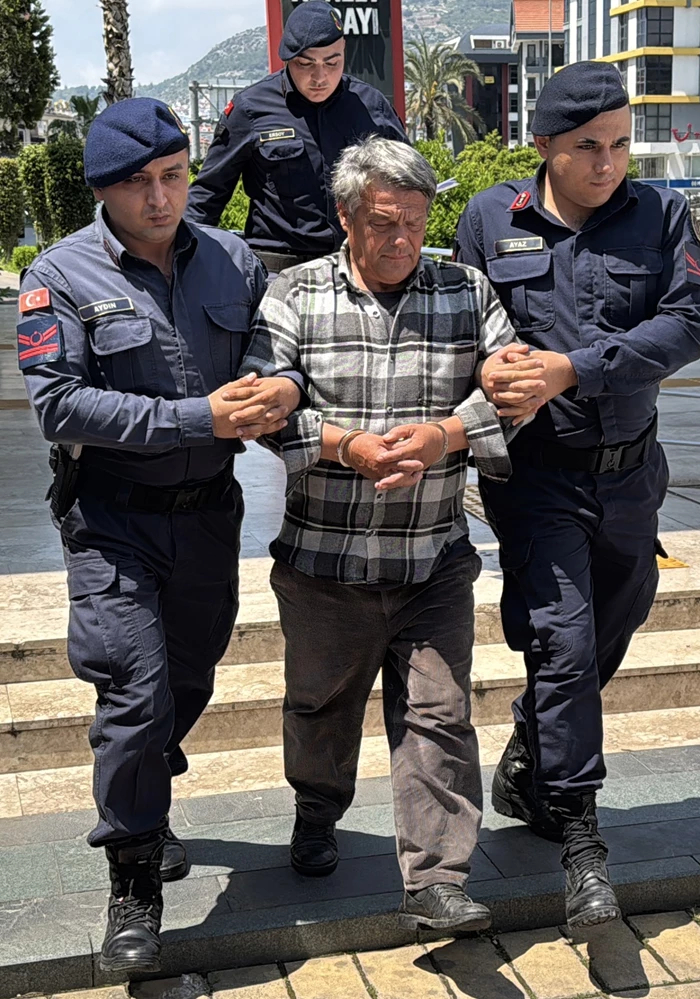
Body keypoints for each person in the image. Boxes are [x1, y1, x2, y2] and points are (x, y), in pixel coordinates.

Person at [18, 98, 302, 976]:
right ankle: (134, 878)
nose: (160, 197)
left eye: (173, 176)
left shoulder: (232, 259)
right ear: (104, 189)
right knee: (134, 694)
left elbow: (271, 351)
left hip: (209, 517)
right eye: (138, 183)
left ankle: (146, 778)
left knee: (189, 675)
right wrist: (197, 416)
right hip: (112, 519)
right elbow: (59, 404)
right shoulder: (59, 275)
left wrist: (278, 387)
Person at [233, 135, 544, 932]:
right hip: (323, 560)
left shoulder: (466, 290)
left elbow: (515, 387)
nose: (402, 238)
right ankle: (316, 808)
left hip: (432, 557)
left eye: (414, 220)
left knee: (439, 716)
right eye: (382, 222)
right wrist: (344, 446)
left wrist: (446, 433)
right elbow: (261, 405)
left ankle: (437, 879)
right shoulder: (294, 293)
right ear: (346, 217)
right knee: (320, 710)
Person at [454, 61, 700, 931]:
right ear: (544, 146)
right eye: (588, 147)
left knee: (617, 617)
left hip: (631, 474)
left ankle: (533, 750)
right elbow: (459, 326)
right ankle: (581, 840)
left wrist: (574, 367)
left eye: (620, 145)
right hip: (538, 475)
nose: (608, 163)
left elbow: (684, 325)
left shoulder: (661, 215)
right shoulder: (491, 218)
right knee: (562, 641)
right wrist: (486, 368)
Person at [185, 0, 408, 275]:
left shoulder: (372, 107)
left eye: (332, 62)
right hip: (278, 274)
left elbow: (408, 186)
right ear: (288, 57)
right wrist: (184, 263)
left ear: (344, 49)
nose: (320, 77)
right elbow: (207, 195)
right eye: (306, 63)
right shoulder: (251, 109)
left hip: (358, 270)